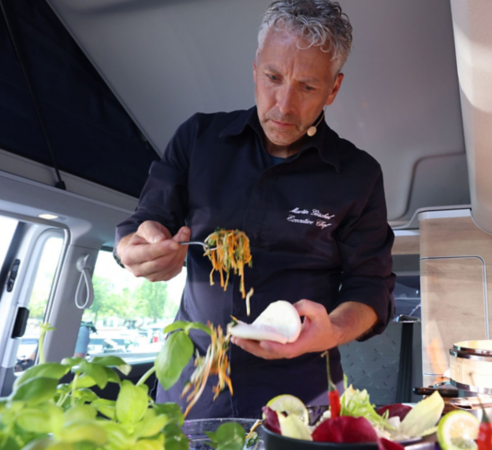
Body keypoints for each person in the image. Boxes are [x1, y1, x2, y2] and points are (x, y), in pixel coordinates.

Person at [113, 0, 395, 419]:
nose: (283, 105)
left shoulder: (359, 174)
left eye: (307, 87)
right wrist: (135, 248)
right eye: (273, 77)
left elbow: (370, 289)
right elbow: (146, 222)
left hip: (302, 394)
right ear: (255, 70)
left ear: (333, 89)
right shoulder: (198, 138)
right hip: (194, 384)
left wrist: (332, 330)